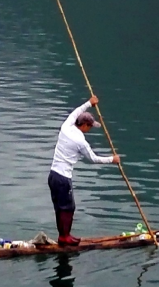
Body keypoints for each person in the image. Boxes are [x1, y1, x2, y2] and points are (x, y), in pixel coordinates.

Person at [48, 95, 120, 246]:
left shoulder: (66, 126)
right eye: (90, 127)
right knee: (68, 207)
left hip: (53, 175)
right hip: (63, 178)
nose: (90, 129)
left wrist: (89, 103)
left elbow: (76, 111)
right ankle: (64, 237)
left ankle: (64, 235)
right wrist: (112, 160)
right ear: (85, 125)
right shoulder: (81, 142)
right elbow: (94, 159)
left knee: (60, 207)